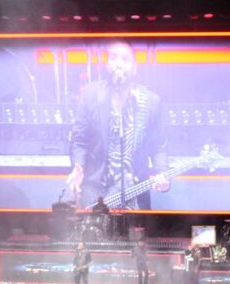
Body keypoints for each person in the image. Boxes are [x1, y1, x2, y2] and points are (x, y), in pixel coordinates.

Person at [65, 40, 170, 210]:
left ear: (135, 67)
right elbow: (79, 140)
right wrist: (79, 166)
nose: (118, 64)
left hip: (135, 195)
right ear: (106, 64)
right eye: (113, 58)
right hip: (95, 194)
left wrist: (161, 173)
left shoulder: (151, 101)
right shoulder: (90, 94)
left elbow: (158, 146)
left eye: (125, 59)